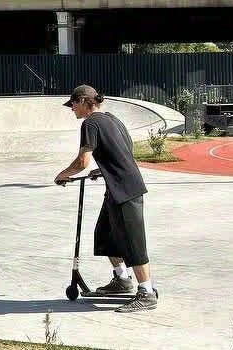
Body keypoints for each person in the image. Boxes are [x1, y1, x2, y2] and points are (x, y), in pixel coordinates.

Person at [54, 85, 157, 313]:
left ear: (82, 101)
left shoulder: (89, 123)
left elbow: (83, 161)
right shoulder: (112, 119)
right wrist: (102, 171)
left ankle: (147, 292)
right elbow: (125, 149)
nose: (72, 109)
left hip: (126, 189)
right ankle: (122, 280)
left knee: (133, 241)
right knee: (105, 235)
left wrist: (62, 175)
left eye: (72, 104)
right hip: (116, 188)